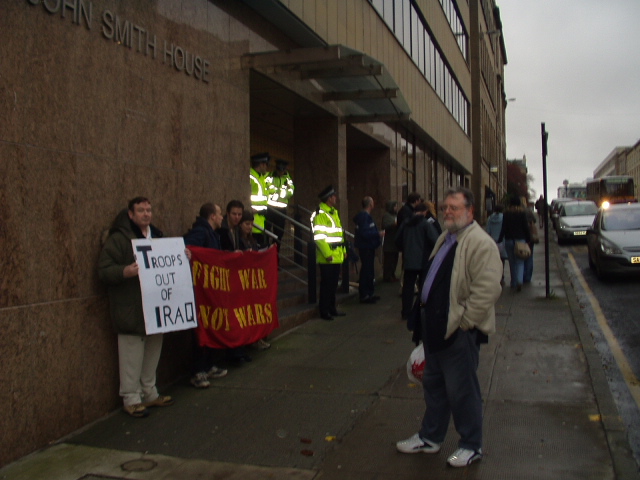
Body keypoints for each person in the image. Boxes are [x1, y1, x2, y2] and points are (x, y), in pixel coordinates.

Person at [396, 187, 502, 467]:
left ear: (470, 211)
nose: (448, 212)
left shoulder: (480, 242)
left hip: (458, 331)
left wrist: (465, 323)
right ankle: (430, 438)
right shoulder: (448, 237)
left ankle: (471, 445)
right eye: (445, 207)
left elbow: (488, 289)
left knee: (462, 391)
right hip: (435, 329)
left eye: (454, 207)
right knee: (435, 386)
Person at [98, 196, 174, 418]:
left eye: (149, 210)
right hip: (131, 308)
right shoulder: (119, 239)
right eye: (141, 210)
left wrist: (182, 256)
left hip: (155, 307)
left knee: (152, 351)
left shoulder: (158, 236)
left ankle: (149, 392)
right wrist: (124, 272)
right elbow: (103, 270)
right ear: (131, 214)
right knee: (131, 353)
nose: (146, 214)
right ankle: (131, 398)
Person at [183, 203, 229, 388]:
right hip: (200, 291)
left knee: (210, 326)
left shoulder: (210, 233)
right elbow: (187, 248)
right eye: (219, 214)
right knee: (201, 331)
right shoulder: (201, 232)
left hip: (209, 290)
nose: (221, 218)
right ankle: (198, 371)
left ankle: (208, 365)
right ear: (212, 216)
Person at [395, 203, 440, 321]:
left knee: (408, 287)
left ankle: (406, 312)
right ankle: (421, 310)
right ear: (425, 212)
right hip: (423, 260)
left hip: (409, 260)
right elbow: (435, 240)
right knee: (423, 286)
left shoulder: (405, 223)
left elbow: (397, 239)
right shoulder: (425, 224)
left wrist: (405, 250)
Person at [310, 185, 346, 321]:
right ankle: (324, 311)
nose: (336, 198)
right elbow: (319, 238)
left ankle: (332, 308)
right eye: (333, 196)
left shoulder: (333, 212)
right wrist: (327, 254)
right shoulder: (320, 214)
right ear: (328, 198)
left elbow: (339, 235)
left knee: (333, 285)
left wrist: (343, 251)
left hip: (336, 255)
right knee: (327, 285)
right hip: (328, 257)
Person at [237, 211, 272, 350]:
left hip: (252, 280)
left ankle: (257, 339)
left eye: (251, 224)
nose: (250, 227)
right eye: (247, 224)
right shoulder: (238, 238)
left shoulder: (251, 239)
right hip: (242, 280)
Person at [353, 196, 384, 303]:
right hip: (366, 247)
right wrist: (378, 234)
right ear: (370, 204)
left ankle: (369, 293)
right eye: (372, 202)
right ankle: (365, 295)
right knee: (366, 270)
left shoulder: (366, 217)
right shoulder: (364, 217)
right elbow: (365, 233)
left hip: (368, 246)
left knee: (369, 270)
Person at [498, 195, 532, 291]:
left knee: (512, 263)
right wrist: (528, 239)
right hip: (520, 240)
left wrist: (500, 239)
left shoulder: (506, 213)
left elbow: (503, 228)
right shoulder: (522, 213)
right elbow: (525, 227)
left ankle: (513, 282)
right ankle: (519, 281)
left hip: (509, 240)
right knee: (520, 262)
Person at [265, 158, 295, 244]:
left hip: (281, 210)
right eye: (278, 169)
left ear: (285, 169)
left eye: (282, 170)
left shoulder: (288, 179)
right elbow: (268, 188)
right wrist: (282, 192)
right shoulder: (269, 176)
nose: (280, 172)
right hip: (270, 208)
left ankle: (275, 252)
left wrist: (277, 192)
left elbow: (291, 191)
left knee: (279, 233)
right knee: (266, 231)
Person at [249, 153, 270, 247]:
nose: (266, 167)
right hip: (253, 222)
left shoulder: (260, 177)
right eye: (266, 164)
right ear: (261, 164)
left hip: (261, 221)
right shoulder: (251, 177)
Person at [485, 204, 508, 286]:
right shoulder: (504, 218)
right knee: (502, 260)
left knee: (494, 260)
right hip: (502, 241)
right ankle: (501, 277)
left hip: (492, 241)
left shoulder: (490, 218)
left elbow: (487, 230)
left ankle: (496, 276)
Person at [381, 200, 400, 282]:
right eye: (395, 206)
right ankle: (387, 276)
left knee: (394, 260)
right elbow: (385, 226)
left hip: (395, 241)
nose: (396, 208)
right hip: (389, 242)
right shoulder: (387, 216)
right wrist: (393, 224)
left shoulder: (396, 215)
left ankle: (392, 274)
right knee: (389, 261)